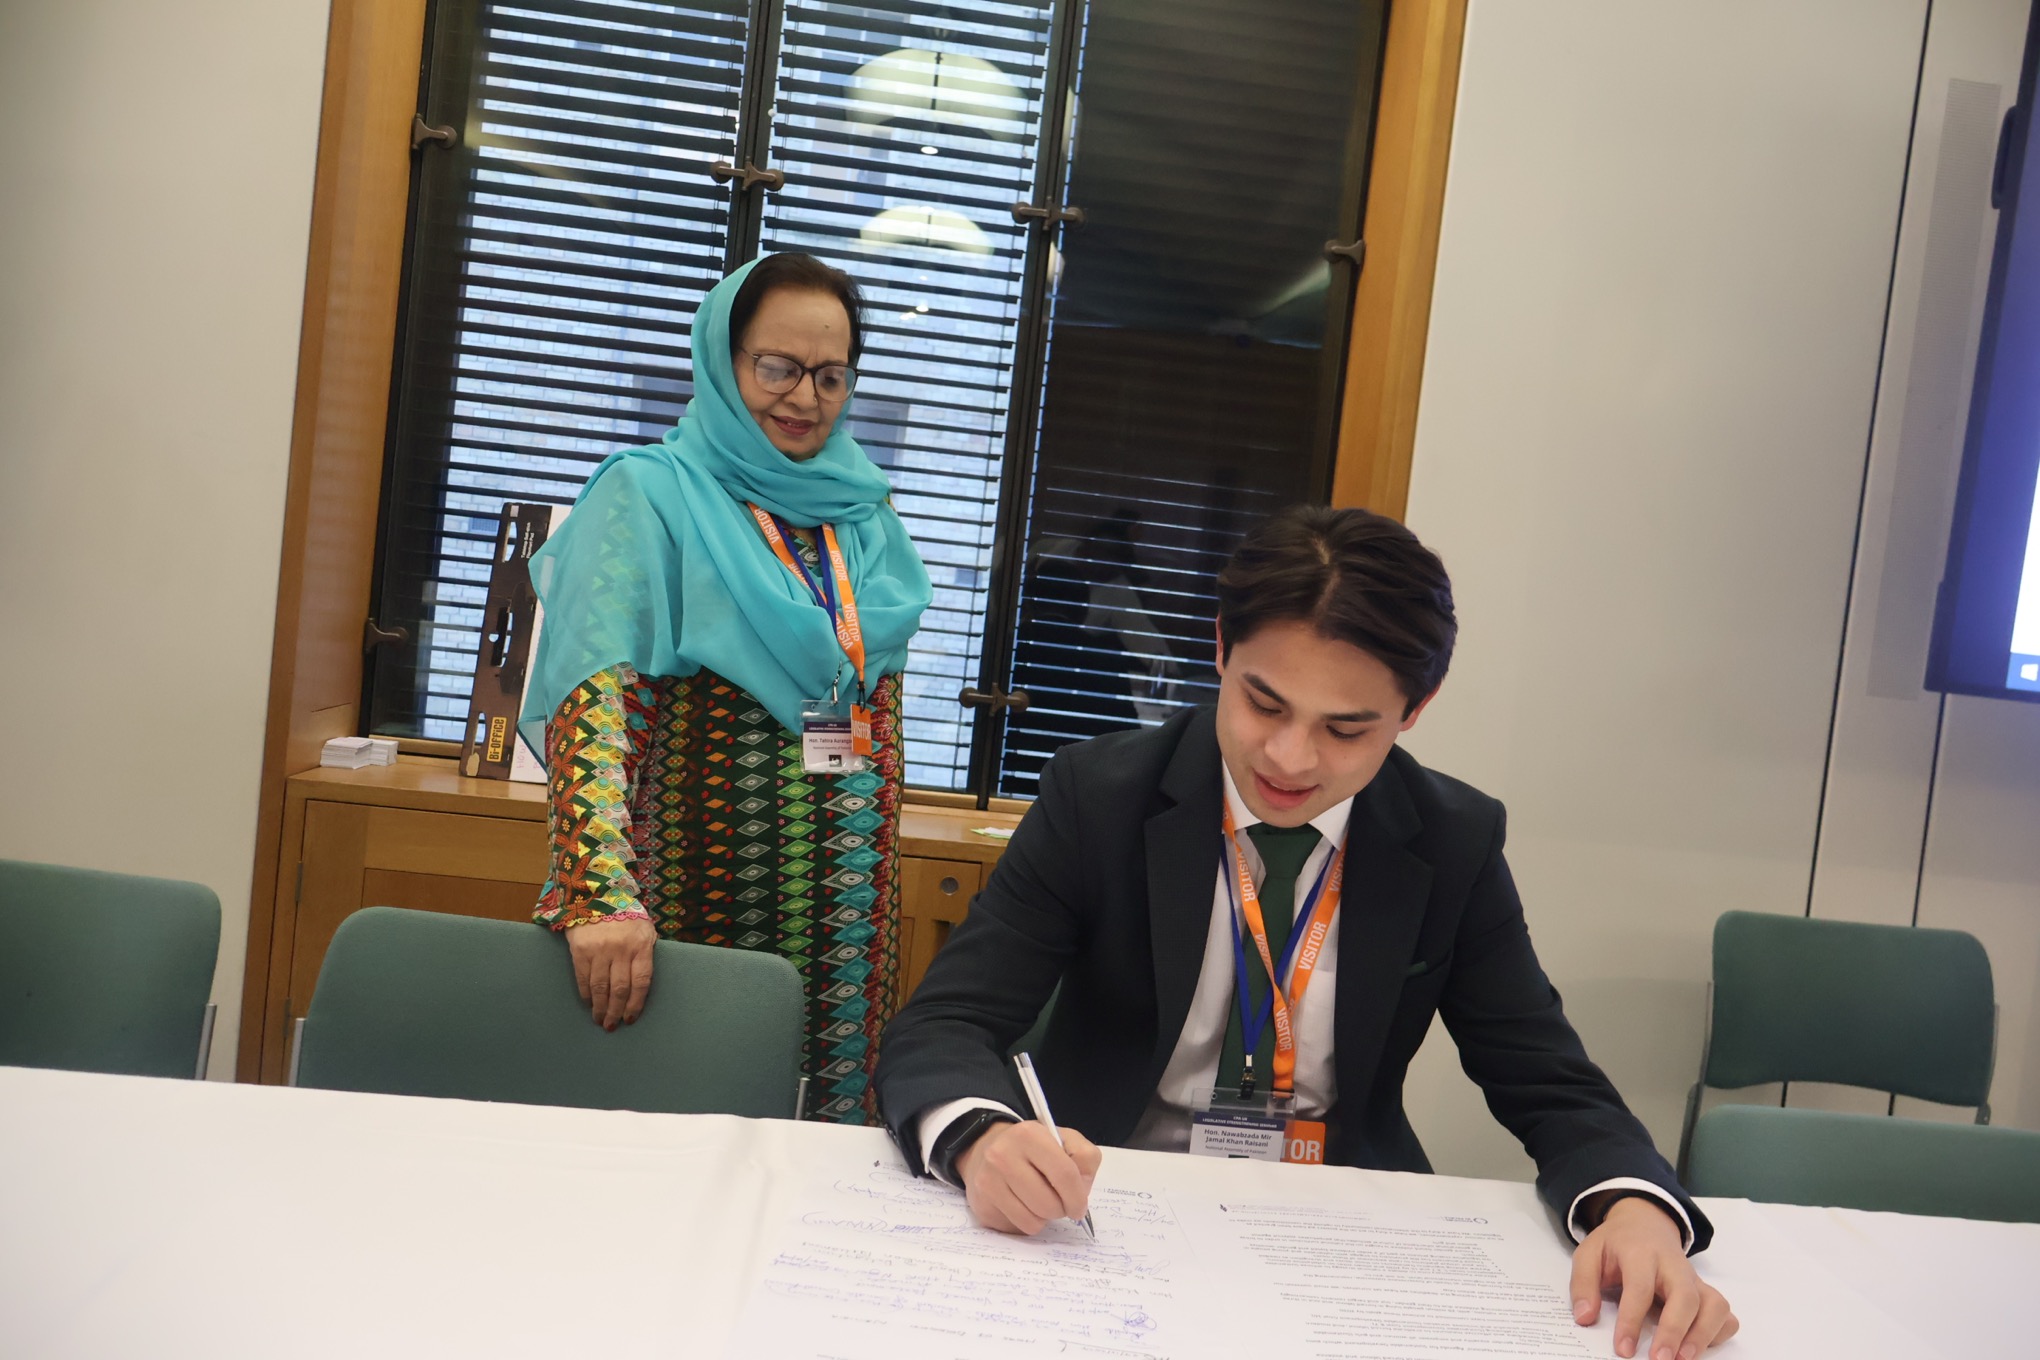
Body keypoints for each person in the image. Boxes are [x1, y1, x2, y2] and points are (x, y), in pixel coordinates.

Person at [874, 505, 1739, 1356]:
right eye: (1263, 703)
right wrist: (982, 1139)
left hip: (1335, 1234)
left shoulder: (1451, 841)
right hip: (1107, 1211)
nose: (1289, 758)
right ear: (1219, 649)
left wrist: (1637, 1209)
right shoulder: (1096, 797)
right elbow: (946, 1023)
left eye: (1345, 728)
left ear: (1415, 709)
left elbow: (1550, 1082)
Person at [519, 252, 932, 1124]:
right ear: (723, 357)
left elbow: (867, 708)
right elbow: (593, 708)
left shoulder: (865, 517)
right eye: (776, 368)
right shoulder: (651, 498)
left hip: (845, 936)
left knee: (818, 1196)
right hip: (688, 921)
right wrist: (599, 895)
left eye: (830, 375)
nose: (804, 398)